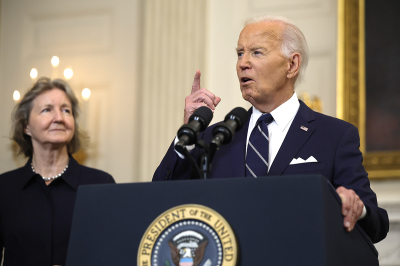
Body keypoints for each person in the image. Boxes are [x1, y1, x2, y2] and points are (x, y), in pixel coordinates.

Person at [153, 15, 389, 244]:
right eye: (240, 53)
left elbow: (377, 224)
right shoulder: (214, 137)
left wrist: (358, 208)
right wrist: (188, 134)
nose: (243, 63)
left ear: (292, 64)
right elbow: (161, 199)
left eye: (257, 52)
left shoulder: (335, 135)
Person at [0, 77, 115, 266]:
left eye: (66, 110)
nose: (59, 118)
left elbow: (113, 255)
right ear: (26, 126)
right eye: (47, 110)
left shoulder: (101, 184)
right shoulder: (4, 188)